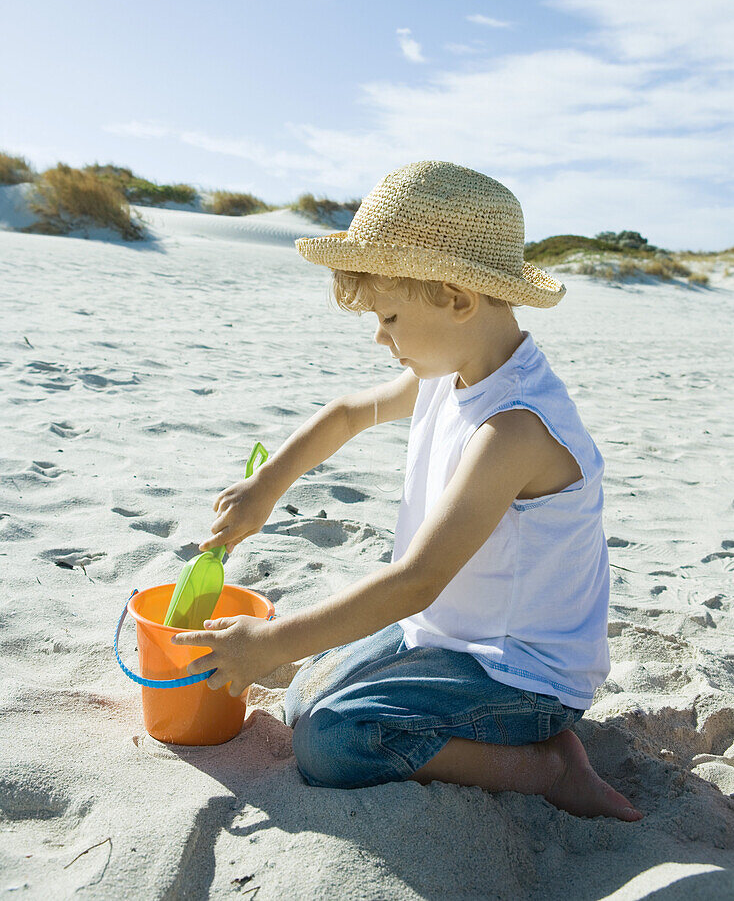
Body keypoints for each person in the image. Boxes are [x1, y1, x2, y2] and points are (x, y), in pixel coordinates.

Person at [171, 160, 643, 822]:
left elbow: (417, 580)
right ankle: (510, 743)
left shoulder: (515, 427)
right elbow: (346, 412)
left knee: (330, 742)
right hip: (451, 637)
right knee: (304, 694)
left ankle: (547, 765)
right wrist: (265, 486)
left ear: (456, 297)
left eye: (389, 313)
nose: (379, 334)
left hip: (525, 674)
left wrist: (272, 644)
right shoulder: (449, 372)